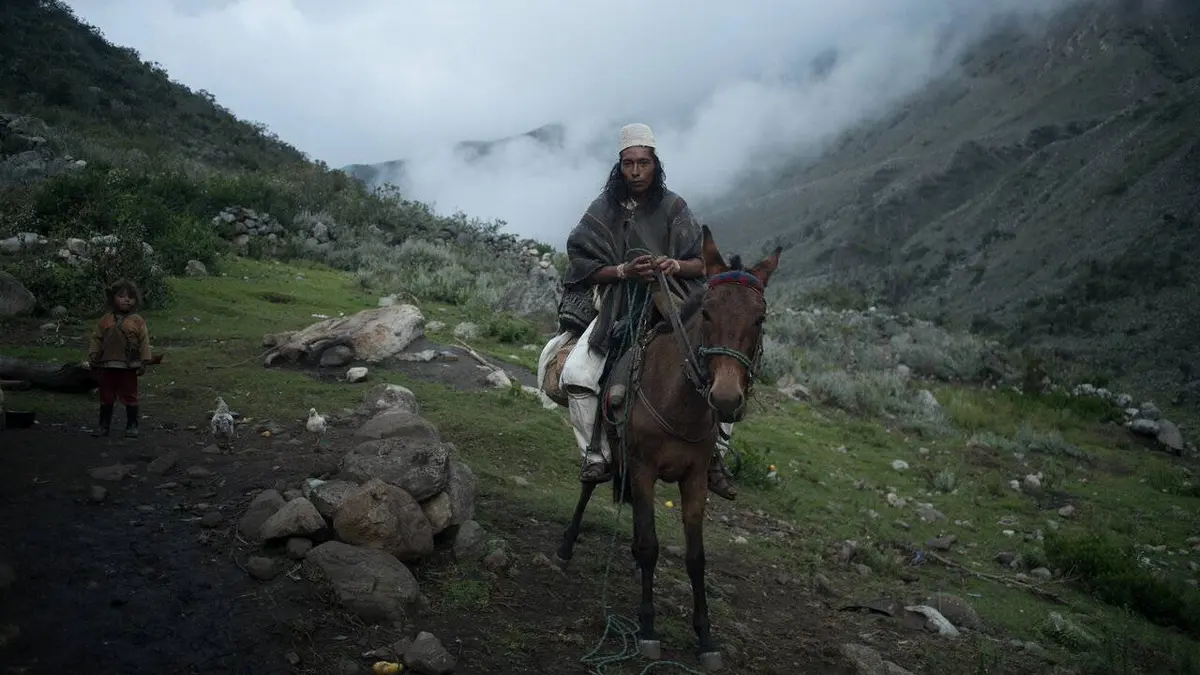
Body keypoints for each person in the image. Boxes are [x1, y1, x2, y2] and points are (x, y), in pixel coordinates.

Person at [537, 122, 738, 500]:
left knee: (717, 370)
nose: (635, 171)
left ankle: (713, 457)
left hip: (673, 303)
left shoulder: (674, 206)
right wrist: (623, 271)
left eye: (643, 163)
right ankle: (595, 455)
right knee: (579, 373)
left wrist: (674, 266)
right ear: (619, 165)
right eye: (628, 163)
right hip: (617, 306)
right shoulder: (602, 209)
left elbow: (700, 261)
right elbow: (580, 262)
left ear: (654, 163)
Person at [87, 279, 152, 438]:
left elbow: (144, 342)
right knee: (106, 395)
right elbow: (96, 339)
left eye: (130, 297)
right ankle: (104, 426)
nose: (126, 299)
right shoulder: (105, 320)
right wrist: (93, 355)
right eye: (121, 296)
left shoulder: (138, 321)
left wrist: (144, 361)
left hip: (129, 366)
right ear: (113, 298)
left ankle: (132, 426)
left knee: (130, 395)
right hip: (107, 364)